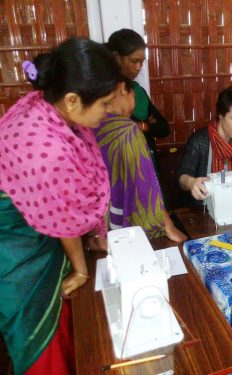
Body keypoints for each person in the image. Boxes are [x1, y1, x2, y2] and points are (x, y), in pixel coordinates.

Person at [0, 38, 121, 375]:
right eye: (106, 103)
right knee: (40, 339)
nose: (110, 110)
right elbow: (64, 217)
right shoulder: (48, 149)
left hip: (34, 232)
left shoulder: (44, 105)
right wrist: (81, 269)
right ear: (72, 100)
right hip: (16, 250)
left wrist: (96, 233)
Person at [94, 78, 187, 242]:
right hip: (127, 232)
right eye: (135, 98)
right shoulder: (127, 130)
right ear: (123, 88)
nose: (134, 108)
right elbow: (145, 185)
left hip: (97, 227)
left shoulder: (92, 124)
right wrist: (167, 225)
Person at [178, 86, 232, 203]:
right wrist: (191, 182)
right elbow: (183, 174)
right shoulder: (200, 140)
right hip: (205, 208)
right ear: (221, 114)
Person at [106, 28, 169, 157]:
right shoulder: (103, 93)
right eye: (134, 61)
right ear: (117, 57)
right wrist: (146, 125)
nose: (138, 68)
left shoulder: (138, 90)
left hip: (146, 156)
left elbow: (163, 128)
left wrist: (141, 126)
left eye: (141, 62)